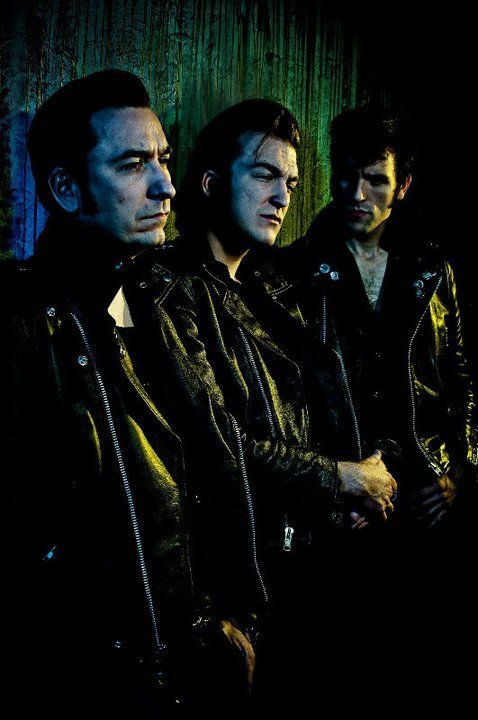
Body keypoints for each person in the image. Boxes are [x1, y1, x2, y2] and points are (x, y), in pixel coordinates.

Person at [122, 100, 398, 709]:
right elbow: (217, 446)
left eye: (291, 183)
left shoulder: (277, 283)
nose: (282, 197)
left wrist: (349, 491)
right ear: (211, 183)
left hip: (310, 569)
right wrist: (342, 478)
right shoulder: (170, 290)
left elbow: (322, 408)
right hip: (241, 583)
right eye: (265, 175)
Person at [1, 70, 258, 718]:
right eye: (133, 165)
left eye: (164, 160)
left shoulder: (161, 299)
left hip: (196, 660)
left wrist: (217, 618)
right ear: (67, 188)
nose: (165, 185)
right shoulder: (26, 322)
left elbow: (207, 469)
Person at [278, 106, 477, 527]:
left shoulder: (434, 270)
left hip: (426, 493)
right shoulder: (296, 271)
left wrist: (459, 468)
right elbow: (290, 399)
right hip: (349, 501)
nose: (357, 194)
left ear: (402, 185)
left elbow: (459, 375)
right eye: (347, 176)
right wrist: (337, 487)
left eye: (376, 180)